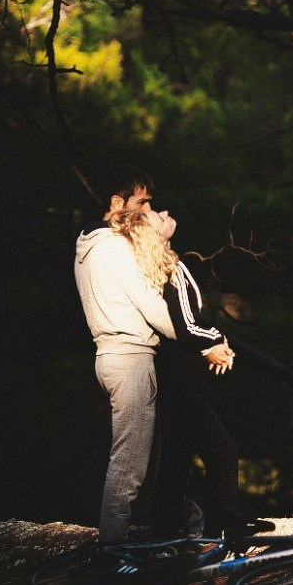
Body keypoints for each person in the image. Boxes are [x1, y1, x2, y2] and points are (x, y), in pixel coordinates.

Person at [108, 206, 248, 539]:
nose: (164, 211)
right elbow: (183, 325)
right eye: (155, 212)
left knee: (181, 456)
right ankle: (214, 533)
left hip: (179, 372)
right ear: (150, 232)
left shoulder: (169, 264)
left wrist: (210, 342)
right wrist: (214, 340)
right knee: (215, 452)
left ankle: (170, 534)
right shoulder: (167, 268)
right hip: (179, 374)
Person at [74, 165, 178, 543]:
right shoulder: (115, 248)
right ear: (117, 203)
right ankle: (111, 551)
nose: (150, 211)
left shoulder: (89, 243)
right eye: (143, 202)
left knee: (139, 458)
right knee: (128, 467)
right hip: (130, 360)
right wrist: (201, 338)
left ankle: (176, 527)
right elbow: (159, 314)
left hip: (110, 357)